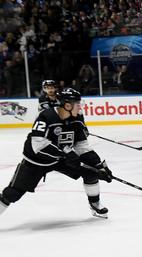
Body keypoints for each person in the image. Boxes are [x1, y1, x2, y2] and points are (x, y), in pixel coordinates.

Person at [0, 88, 113, 219]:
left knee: (91, 171)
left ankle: (95, 205)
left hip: (61, 158)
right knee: (13, 193)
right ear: (67, 105)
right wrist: (65, 154)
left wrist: (99, 165)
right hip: (36, 160)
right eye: (78, 104)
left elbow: (82, 147)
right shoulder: (46, 117)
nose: (80, 107)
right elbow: (38, 145)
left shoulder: (77, 118)